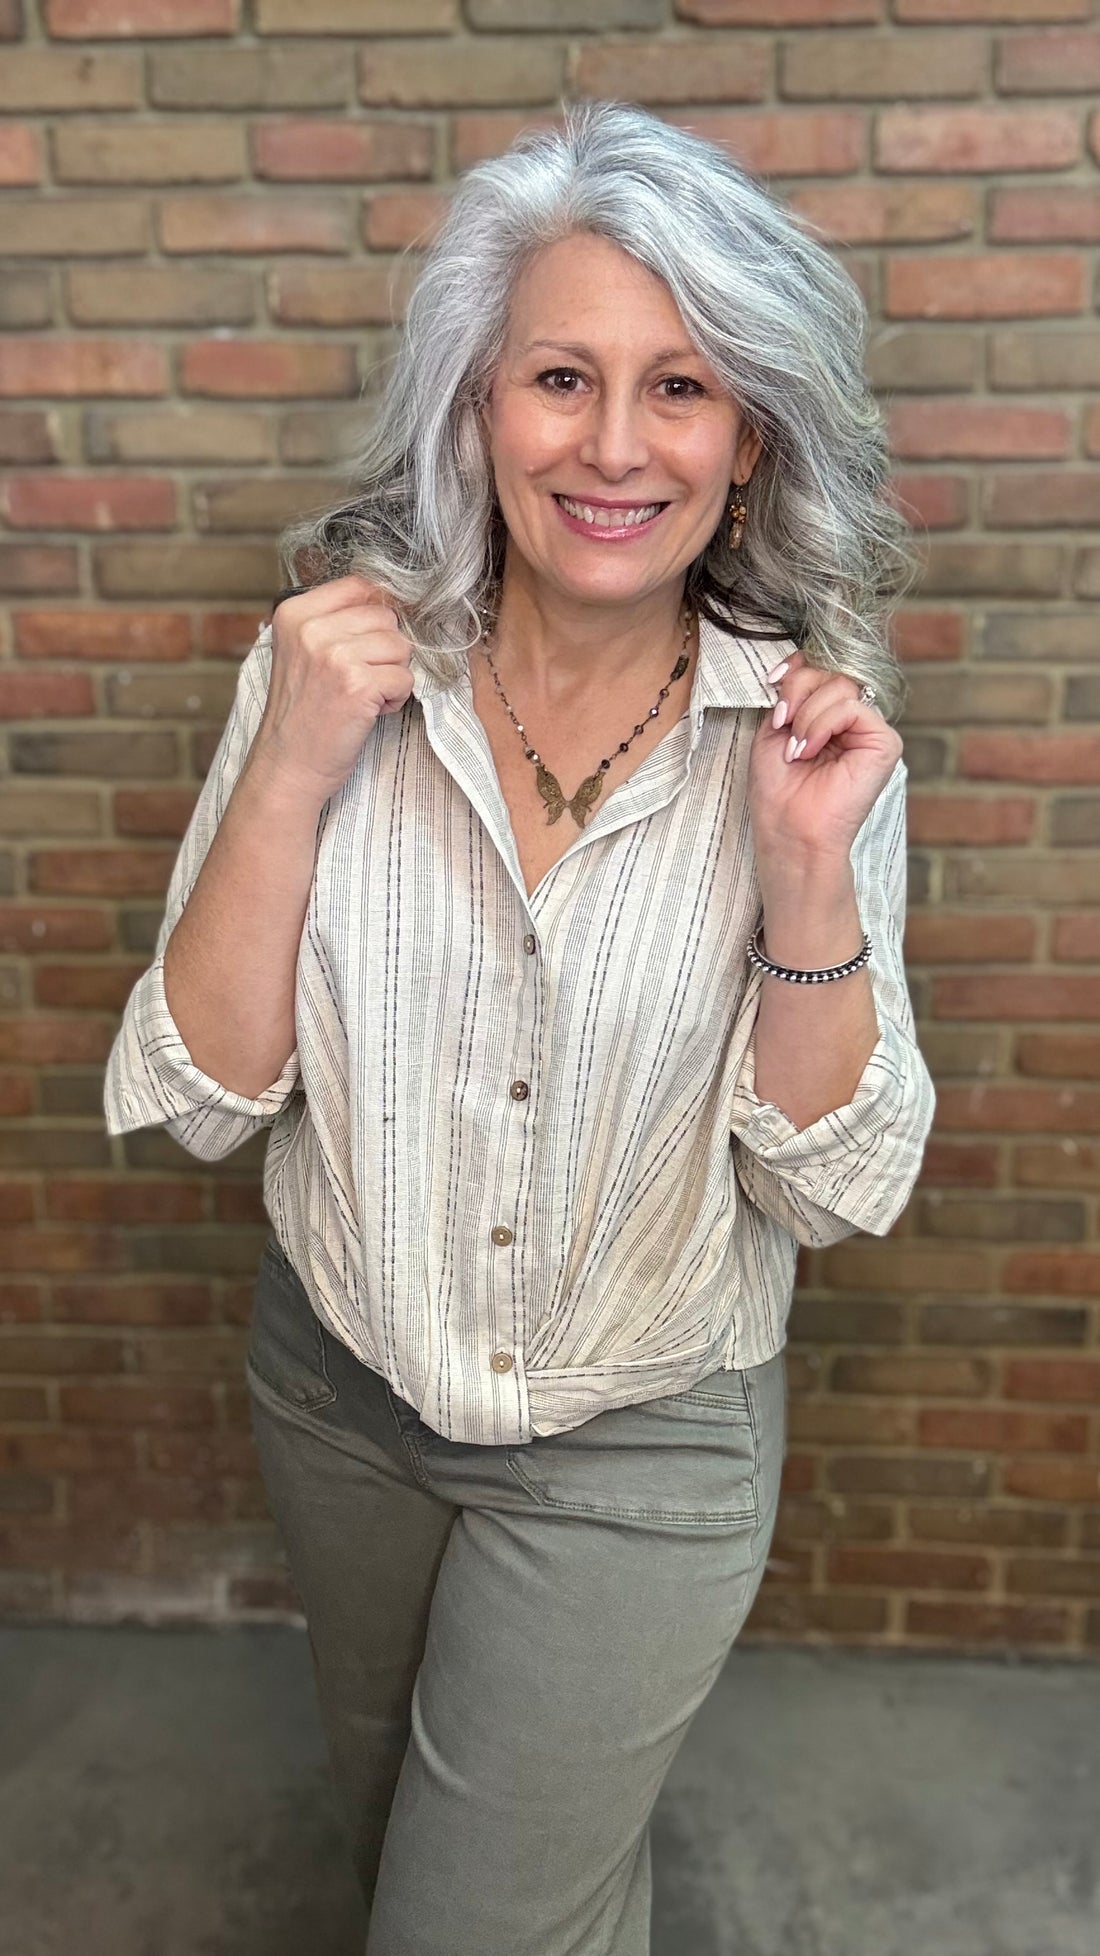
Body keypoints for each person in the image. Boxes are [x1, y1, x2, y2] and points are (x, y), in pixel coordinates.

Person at [105, 101, 935, 1956]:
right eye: (563, 376)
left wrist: (808, 880)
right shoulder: (322, 674)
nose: (617, 447)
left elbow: (830, 1190)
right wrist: (292, 776)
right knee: (429, 1837)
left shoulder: (804, 743)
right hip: (340, 1399)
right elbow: (206, 1099)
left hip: (643, 1443)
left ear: (749, 438)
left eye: (683, 390)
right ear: (477, 407)